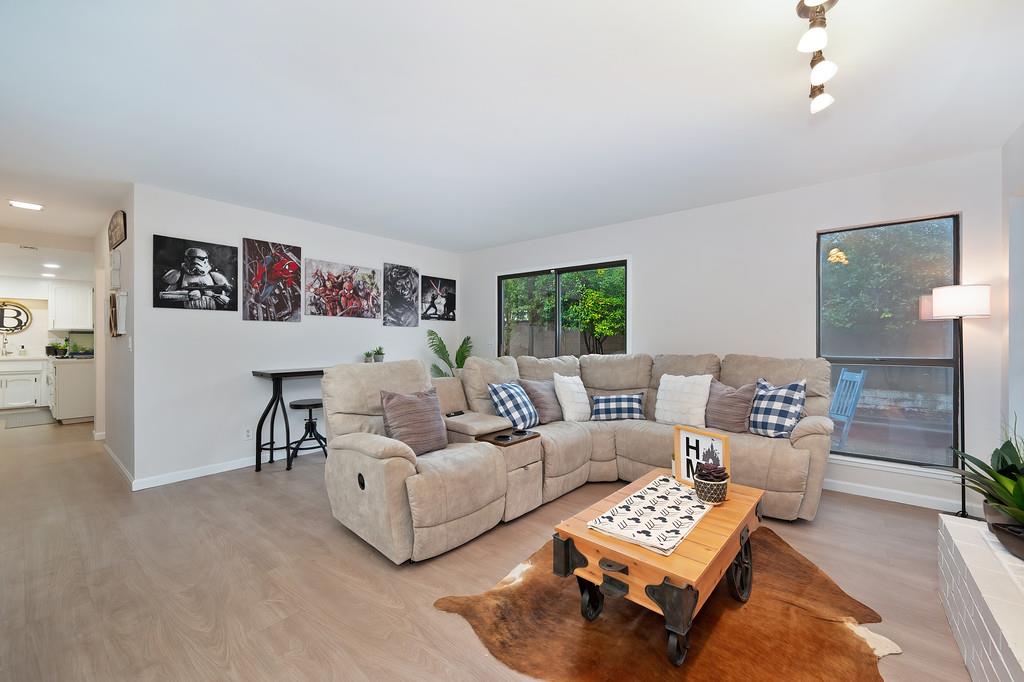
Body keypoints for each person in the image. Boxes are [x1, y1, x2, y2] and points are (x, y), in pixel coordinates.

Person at [159, 247, 232, 310]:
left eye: (200, 258)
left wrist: (212, 295)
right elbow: (164, 296)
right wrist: (187, 296)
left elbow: (226, 294)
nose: (196, 262)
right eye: (192, 258)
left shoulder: (214, 276)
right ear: (186, 259)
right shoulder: (177, 275)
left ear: (206, 260)